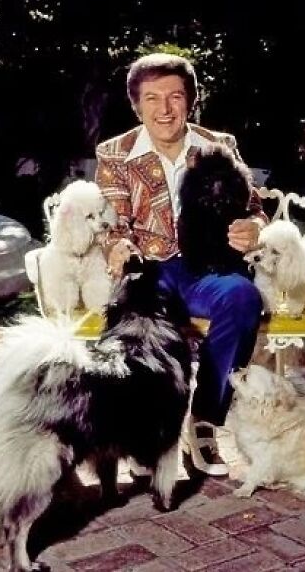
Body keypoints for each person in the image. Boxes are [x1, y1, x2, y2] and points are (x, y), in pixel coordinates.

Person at [95, 53, 266, 476]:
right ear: (137, 105)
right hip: (150, 268)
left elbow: (257, 208)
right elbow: (110, 222)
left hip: (208, 268)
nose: (165, 109)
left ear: (190, 100)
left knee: (242, 297)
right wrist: (116, 246)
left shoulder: (219, 146)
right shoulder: (115, 154)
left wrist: (254, 227)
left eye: (175, 96)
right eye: (152, 98)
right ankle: (142, 432)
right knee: (136, 321)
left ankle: (205, 421)